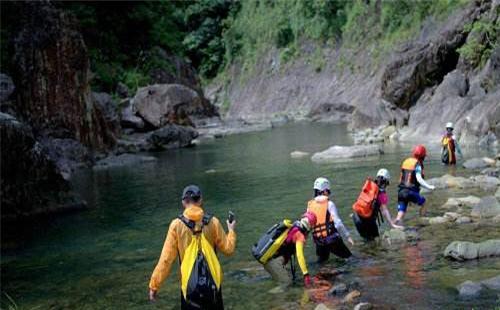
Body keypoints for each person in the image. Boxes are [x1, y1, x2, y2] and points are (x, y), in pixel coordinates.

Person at [148, 185, 236, 309]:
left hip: (190, 288)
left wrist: (154, 285)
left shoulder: (176, 225)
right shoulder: (213, 222)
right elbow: (229, 249)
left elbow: (166, 260)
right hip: (213, 287)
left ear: (183, 202)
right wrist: (231, 231)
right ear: (200, 200)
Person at [254, 212, 317, 287]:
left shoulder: (293, 226)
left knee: (286, 278)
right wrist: (305, 274)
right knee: (286, 283)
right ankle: (271, 296)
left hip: (270, 259)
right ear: (310, 226)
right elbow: (299, 256)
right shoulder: (299, 235)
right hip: (273, 263)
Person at [307, 177, 354, 263]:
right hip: (332, 240)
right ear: (324, 191)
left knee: (322, 263)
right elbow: (338, 223)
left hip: (319, 242)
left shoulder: (310, 205)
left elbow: (308, 224)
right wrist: (348, 236)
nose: (328, 193)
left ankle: (320, 275)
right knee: (351, 259)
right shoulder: (329, 204)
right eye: (328, 191)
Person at [352, 168, 404, 241]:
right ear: (386, 182)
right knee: (375, 241)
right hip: (368, 222)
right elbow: (384, 211)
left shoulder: (369, 185)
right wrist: (392, 224)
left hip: (356, 217)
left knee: (366, 241)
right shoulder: (382, 194)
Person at [395, 145, 435, 224]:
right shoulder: (417, 165)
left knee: (400, 213)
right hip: (410, 192)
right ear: (422, 156)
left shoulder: (406, 161)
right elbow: (419, 179)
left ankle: (396, 225)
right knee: (424, 203)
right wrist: (429, 187)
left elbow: (401, 179)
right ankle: (422, 220)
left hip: (401, 192)